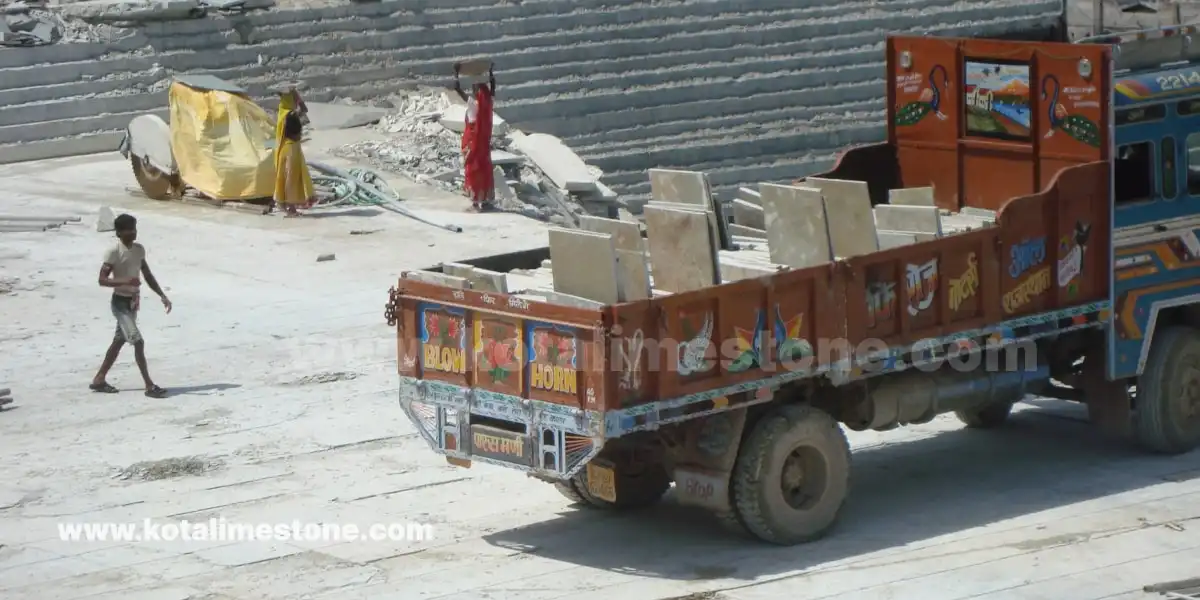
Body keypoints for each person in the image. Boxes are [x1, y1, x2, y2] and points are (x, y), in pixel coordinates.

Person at [91, 213, 172, 398]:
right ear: (119, 232)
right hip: (120, 304)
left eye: (134, 228)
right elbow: (102, 280)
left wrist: (162, 295)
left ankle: (99, 379)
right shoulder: (113, 252)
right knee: (138, 341)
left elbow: (147, 275)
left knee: (119, 341)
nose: (133, 232)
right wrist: (125, 281)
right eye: (129, 229)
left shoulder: (139, 250)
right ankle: (149, 386)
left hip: (133, 302)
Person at [454, 62, 497, 212]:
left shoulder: (474, 104)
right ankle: (484, 200)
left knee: (472, 169)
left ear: (477, 91)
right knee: (484, 169)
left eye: (475, 87)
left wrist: (456, 72)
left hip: (473, 142)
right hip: (483, 143)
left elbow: (457, 89)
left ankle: (475, 202)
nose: (473, 88)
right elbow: (492, 90)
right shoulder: (487, 103)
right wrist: (491, 73)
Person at [272, 88, 315, 217]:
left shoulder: (282, 113)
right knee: (291, 177)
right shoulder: (289, 115)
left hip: (288, 148)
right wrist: (297, 96)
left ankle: (288, 205)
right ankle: (291, 208)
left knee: (288, 176)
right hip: (291, 149)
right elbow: (304, 109)